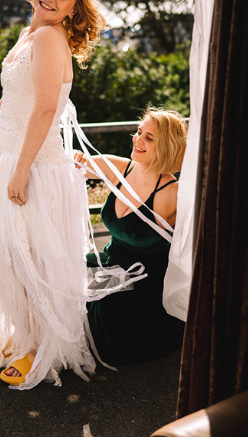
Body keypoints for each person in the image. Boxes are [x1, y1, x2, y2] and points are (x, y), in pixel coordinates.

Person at [0, 0, 141, 389]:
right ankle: (17, 334)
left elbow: (42, 109)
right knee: (4, 255)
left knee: (31, 260)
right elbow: (8, 101)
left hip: (34, 165)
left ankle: (41, 345)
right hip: (5, 158)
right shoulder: (27, 36)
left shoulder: (52, 39)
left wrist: (19, 171)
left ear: (73, 9)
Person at [72, 107, 186, 366]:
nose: (137, 139)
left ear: (166, 146)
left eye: (149, 138)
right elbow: (69, 166)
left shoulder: (172, 191)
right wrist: (75, 158)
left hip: (144, 283)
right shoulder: (121, 168)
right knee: (61, 276)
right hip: (110, 262)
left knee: (101, 309)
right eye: (138, 131)